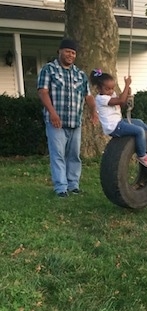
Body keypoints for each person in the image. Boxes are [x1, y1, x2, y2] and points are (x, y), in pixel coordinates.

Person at [37, 39, 99, 197]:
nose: (70, 55)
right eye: (67, 51)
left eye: (73, 53)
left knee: (74, 156)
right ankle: (61, 188)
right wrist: (52, 113)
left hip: (75, 122)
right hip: (56, 122)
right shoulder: (49, 69)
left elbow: (88, 96)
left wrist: (93, 110)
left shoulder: (80, 74)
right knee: (58, 155)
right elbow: (43, 92)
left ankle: (73, 185)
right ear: (60, 51)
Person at [89, 69, 147, 169]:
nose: (111, 91)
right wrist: (126, 85)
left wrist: (127, 94)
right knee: (139, 131)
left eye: (112, 88)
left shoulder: (111, 95)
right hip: (114, 127)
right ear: (99, 89)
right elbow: (120, 100)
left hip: (119, 122)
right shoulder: (101, 99)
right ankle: (141, 155)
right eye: (107, 89)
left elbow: (122, 103)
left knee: (139, 122)